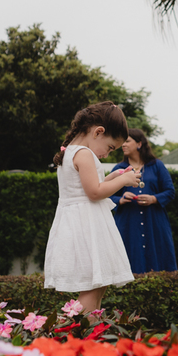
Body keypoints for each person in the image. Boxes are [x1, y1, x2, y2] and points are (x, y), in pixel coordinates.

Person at [43, 101, 140, 313]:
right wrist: (124, 182)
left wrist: (114, 177)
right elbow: (94, 193)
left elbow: (91, 188)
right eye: (109, 148)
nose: (107, 154)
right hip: (86, 228)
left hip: (80, 223)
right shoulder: (84, 154)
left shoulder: (73, 152)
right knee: (92, 287)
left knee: (98, 286)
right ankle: (72, 334)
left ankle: (88, 335)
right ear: (98, 132)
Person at [110, 128, 178, 272]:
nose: (123, 145)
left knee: (159, 257)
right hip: (128, 223)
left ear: (139, 144)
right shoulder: (119, 169)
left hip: (154, 221)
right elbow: (106, 195)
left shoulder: (157, 166)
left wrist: (153, 198)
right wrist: (120, 199)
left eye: (127, 141)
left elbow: (170, 191)